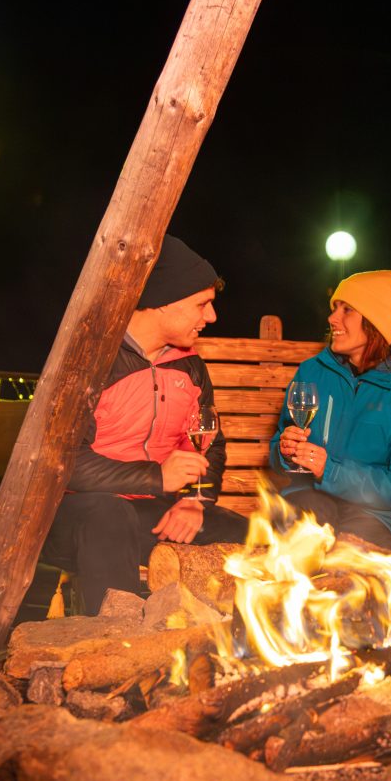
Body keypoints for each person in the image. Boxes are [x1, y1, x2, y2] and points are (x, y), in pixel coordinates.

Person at [42, 235, 248, 613]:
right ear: (163, 301)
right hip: (75, 517)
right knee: (109, 515)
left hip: (153, 514)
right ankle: (113, 640)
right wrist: (156, 477)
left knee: (245, 536)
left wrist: (195, 500)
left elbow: (208, 443)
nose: (211, 317)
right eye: (202, 305)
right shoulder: (92, 360)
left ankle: (213, 644)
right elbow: (63, 463)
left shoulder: (190, 366)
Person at [270, 269, 391, 553]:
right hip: (312, 499)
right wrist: (286, 451)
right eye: (335, 307)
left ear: (376, 322)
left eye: (347, 309)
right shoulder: (312, 371)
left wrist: (331, 471)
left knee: (349, 556)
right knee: (304, 540)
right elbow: (279, 451)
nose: (332, 318)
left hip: (380, 517)